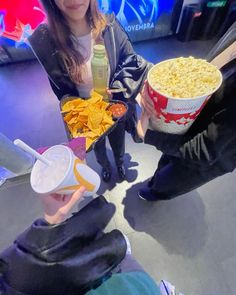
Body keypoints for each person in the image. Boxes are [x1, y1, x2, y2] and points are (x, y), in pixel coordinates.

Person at [28, 0, 151, 182]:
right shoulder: (45, 43)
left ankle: (119, 164)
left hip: (115, 109)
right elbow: (62, 93)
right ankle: (106, 167)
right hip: (88, 119)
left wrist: (120, 91)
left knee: (118, 143)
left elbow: (130, 62)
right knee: (99, 148)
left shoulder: (110, 26)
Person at [137, 23, 236, 201]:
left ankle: (155, 194)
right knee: (165, 162)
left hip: (207, 159)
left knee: (168, 182)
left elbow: (206, 149)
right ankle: (156, 181)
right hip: (187, 124)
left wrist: (147, 134)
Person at [0, 187, 163, 295]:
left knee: (119, 251)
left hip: (124, 281)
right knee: (120, 253)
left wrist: (30, 260)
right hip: (131, 283)